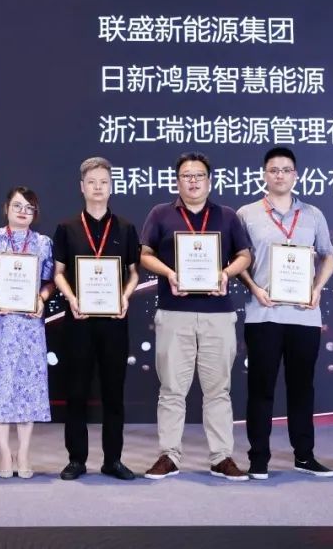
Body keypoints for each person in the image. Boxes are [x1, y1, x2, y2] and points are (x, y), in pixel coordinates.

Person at [140, 152, 252, 481]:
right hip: (174, 312)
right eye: (186, 176)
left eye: (199, 175)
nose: (193, 181)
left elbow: (245, 255)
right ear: (177, 181)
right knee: (171, 389)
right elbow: (145, 254)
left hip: (218, 314)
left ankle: (221, 457)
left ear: (209, 181)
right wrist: (169, 273)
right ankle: (169, 455)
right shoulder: (160, 214)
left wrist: (226, 273)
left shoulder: (227, 216)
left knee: (218, 390)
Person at [236, 147, 333, 480]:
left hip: (304, 316)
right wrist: (254, 288)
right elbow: (238, 260)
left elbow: (328, 255)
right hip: (262, 314)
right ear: (264, 174)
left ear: (296, 175)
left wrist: (317, 288)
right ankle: (258, 459)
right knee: (261, 389)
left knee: (302, 389)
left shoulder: (313, 214)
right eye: (274, 170)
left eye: (286, 170)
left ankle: (304, 456)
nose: (280, 175)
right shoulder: (247, 214)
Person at [52, 157, 141, 481]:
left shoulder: (126, 228)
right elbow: (58, 273)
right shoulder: (67, 228)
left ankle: (113, 460)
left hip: (114, 321)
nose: (98, 187)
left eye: (104, 182)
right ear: (82, 187)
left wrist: (125, 296)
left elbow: (134, 273)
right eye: (92, 182)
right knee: (75, 391)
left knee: (113, 393)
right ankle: (76, 459)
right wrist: (72, 298)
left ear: (111, 187)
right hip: (78, 319)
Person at [0, 187, 55, 479]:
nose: (23, 212)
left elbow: (49, 281)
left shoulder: (43, 243)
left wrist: (41, 299)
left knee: (27, 387)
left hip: (29, 325)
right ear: (7, 208)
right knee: (0, 386)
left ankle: (25, 452)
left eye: (29, 208)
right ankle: (4, 451)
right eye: (18, 206)